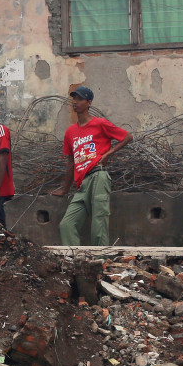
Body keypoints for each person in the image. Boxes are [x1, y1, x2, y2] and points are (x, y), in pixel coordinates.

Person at [51, 86, 132, 246]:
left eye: (80, 99)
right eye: (74, 99)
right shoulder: (70, 132)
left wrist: (108, 154)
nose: (75, 102)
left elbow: (127, 137)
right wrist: (65, 189)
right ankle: (75, 258)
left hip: (98, 176)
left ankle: (100, 259)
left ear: (89, 103)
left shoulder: (99, 123)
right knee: (67, 224)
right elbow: (71, 162)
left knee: (98, 222)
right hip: (82, 184)